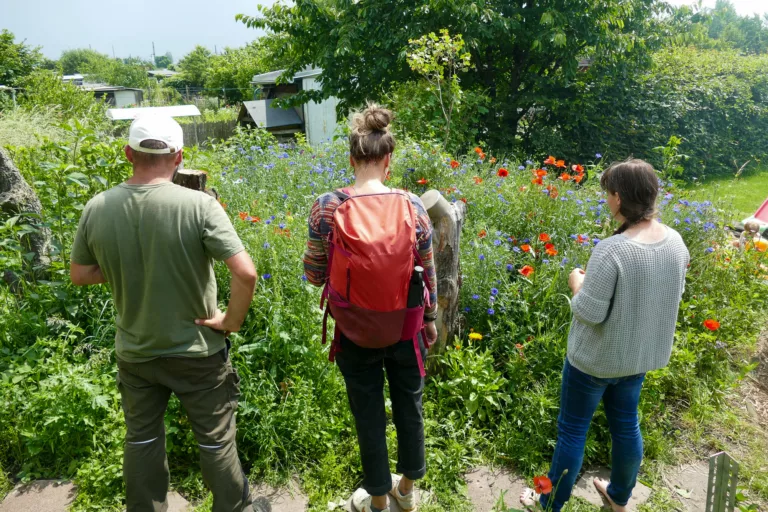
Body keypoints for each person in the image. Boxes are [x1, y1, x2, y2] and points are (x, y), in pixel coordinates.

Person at [70, 115, 265, 512]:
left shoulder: (98, 207)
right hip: (198, 351)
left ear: (129, 153)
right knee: (214, 439)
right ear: (179, 156)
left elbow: (80, 274)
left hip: (136, 351)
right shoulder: (198, 205)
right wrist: (230, 322)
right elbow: (246, 272)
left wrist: (132, 263)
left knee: (141, 439)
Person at [520, 159, 690, 512]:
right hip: (638, 358)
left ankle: (546, 500)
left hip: (593, 361)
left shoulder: (613, 249)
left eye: (607, 194)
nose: (606, 201)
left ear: (618, 197)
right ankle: (619, 496)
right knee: (627, 426)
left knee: (571, 433)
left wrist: (577, 282)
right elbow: (671, 294)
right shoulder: (675, 242)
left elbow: (589, 312)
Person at [303, 103, 438, 512]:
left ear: (351, 158)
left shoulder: (327, 206)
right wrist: (429, 322)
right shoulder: (413, 205)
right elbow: (428, 273)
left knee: (368, 413)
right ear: (388, 161)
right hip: (405, 326)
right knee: (409, 406)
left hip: (353, 329)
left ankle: (378, 501)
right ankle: (408, 493)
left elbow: (313, 273)